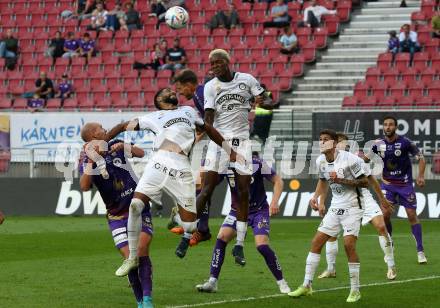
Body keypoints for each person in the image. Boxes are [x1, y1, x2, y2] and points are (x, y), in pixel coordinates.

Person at [107, 88, 237, 279]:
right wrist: (103, 142)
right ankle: (132, 257)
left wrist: (229, 150)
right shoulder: (153, 116)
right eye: (165, 91)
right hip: (158, 162)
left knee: (191, 227)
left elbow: (208, 129)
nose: (171, 91)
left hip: (181, 166)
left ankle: (178, 216)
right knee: (135, 205)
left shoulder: (189, 111)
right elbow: (121, 126)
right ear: (159, 100)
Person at [198, 49, 272, 266]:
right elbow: (209, 117)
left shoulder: (247, 80)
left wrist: (262, 101)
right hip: (219, 142)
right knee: (207, 188)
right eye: (211, 63)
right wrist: (206, 130)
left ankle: (239, 242)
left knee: (243, 190)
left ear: (227, 62)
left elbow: (267, 101)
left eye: (218, 62)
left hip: (242, 142)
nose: (214, 65)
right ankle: (188, 226)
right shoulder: (210, 87)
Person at [289, 129, 369, 303]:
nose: (322, 142)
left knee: (349, 245)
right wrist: (316, 197)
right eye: (320, 139)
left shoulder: (350, 159)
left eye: (325, 139)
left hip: (353, 206)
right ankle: (306, 285)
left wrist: (342, 180)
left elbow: (365, 182)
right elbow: (323, 181)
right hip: (336, 206)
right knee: (316, 243)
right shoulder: (320, 161)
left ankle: (355, 290)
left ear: (333, 143)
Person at [195, 152, 291, 294]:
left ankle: (282, 282)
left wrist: (275, 202)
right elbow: (209, 183)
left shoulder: (257, 163)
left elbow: (278, 180)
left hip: (259, 211)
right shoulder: (226, 165)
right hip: (237, 210)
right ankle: (212, 281)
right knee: (222, 237)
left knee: (262, 245)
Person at [79, 122, 149, 308]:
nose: (104, 129)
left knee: (140, 254)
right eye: (100, 128)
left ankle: (147, 300)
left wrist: (125, 146)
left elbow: (142, 153)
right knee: (130, 260)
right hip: (116, 215)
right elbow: (84, 187)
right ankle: (141, 301)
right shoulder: (85, 156)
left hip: (137, 206)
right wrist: (92, 160)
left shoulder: (115, 143)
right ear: (93, 136)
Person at [317, 133, 396, 281]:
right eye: (341, 143)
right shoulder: (327, 160)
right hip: (342, 200)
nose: (344, 146)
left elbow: (371, 178)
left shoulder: (353, 158)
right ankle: (330, 268)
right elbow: (324, 181)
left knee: (381, 227)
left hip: (363, 198)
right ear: (335, 143)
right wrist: (320, 201)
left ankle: (391, 265)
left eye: (346, 143)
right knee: (332, 234)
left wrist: (382, 199)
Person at [363, 116, 427, 264]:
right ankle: (390, 244)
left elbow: (421, 158)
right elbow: (365, 160)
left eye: (391, 125)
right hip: (387, 185)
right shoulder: (378, 144)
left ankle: (420, 251)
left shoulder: (405, 143)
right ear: (383, 127)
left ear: (396, 127)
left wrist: (421, 176)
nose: (388, 127)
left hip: (405, 185)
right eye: (385, 125)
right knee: (385, 214)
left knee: (411, 215)